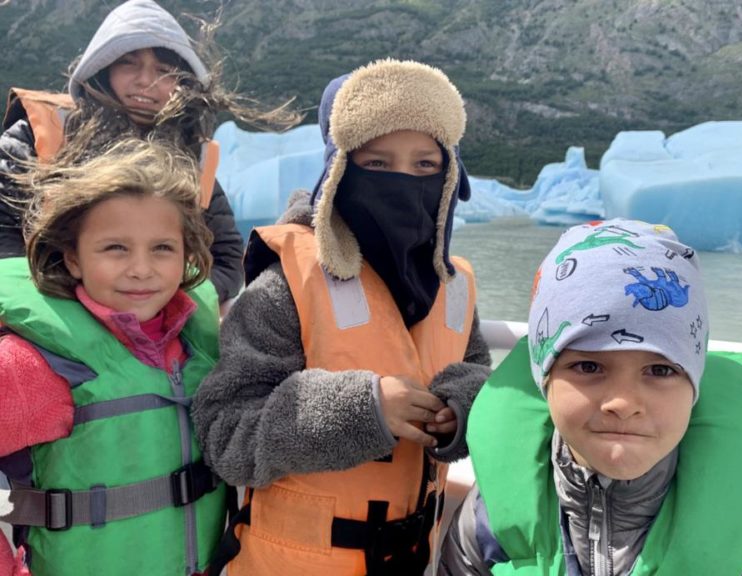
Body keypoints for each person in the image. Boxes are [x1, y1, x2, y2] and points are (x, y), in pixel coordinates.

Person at [191, 58, 492, 576]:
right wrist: (363, 410)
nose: (404, 180)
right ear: (339, 173)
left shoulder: (454, 285)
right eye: (378, 163)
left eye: (425, 165)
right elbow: (226, 434)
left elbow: (479, 376)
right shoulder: (287, 281)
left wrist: (459, 411)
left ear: (449, 179)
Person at [439, 219, 742, 575]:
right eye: (589, 366)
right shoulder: (489, 516)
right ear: (544, 378)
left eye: (660, 371)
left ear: (694, 383)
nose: (623, 404)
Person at [0, 139, 226, 576]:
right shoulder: (34, 364)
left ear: (187, 254)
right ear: (73, 259)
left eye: (162, 248)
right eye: (115, 248)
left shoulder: (202, 348)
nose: (141, 269)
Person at [0, 0, 297, 305]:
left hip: (152, 323)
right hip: (45, 315)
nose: (145, 80)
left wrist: (165, 301)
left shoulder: (192, 156)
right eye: (128, 63)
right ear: (102, 68)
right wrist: (72, 305)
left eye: (164, 70)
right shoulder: (39, 133)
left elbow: (227, 259)